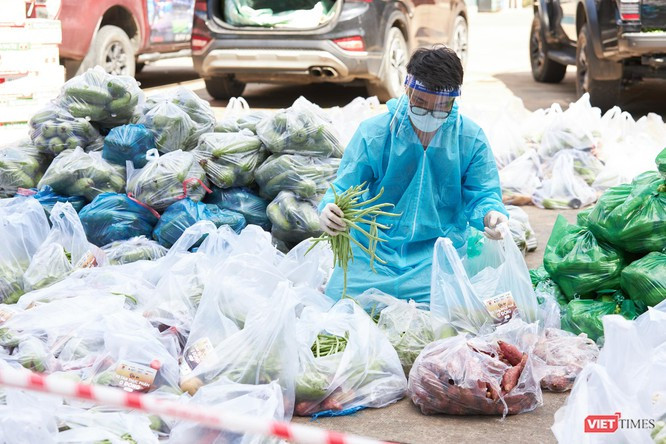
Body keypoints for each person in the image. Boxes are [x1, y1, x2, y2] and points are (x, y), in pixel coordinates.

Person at [318, 46, 509, 304]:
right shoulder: (374, 134)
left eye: (439, 107)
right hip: (374, 250)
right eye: (419, 103)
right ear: (407, 90)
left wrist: (491, 215)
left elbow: (483, 194)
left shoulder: (470, 139)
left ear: (454, 102)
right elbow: (344, 186)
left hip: (438, 252)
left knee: (448, 312)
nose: (428, 115)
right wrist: (329, 208)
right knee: (340, 305)